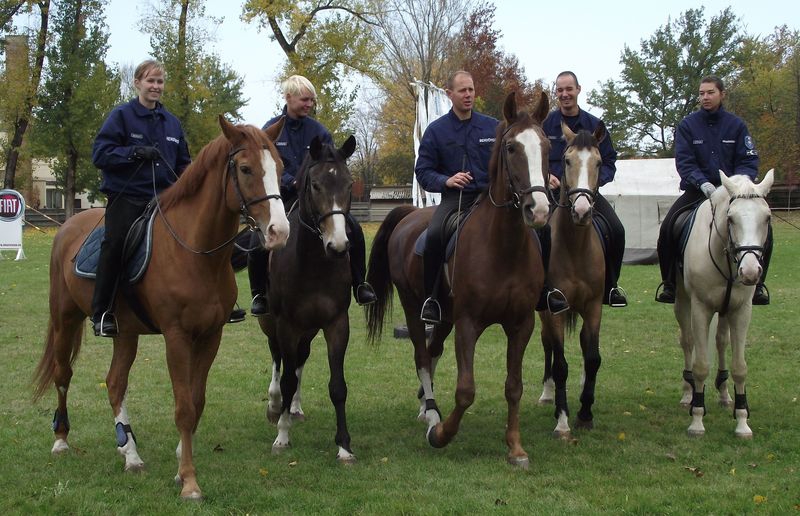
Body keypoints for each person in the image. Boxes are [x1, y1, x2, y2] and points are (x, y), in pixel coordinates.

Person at [245, 75, 376, 316]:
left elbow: (330, 166)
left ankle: (360, 284)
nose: (309, 104)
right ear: (288, 97)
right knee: (257, 240)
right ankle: (259, 294)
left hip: (317, 199)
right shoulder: (271, 130)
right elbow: (265, 167)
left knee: (354, 229)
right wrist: (288, 182)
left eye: (312, 101)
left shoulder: (320, 132)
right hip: (283, 197)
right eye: (304, 99)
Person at [91, 59, 191, 337]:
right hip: (130, 197)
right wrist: (133, 153)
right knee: (115, 243)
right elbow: (100, 154)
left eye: (160, 82)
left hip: (167, 199)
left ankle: (214, 303)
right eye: (150, 81)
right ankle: (102, 312)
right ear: (137, 83)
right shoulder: (121, 116)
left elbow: (184, 163)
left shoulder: (172, 123)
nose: (156, 86)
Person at [656, 75, 772, 304]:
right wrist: (703, 183)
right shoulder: (688, 125)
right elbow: (684, 162)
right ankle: (669, 283)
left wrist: (738, 184)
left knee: (767, 231)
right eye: (702, 93)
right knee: (669, 228)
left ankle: (758, 285)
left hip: (734, 194)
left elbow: (749, 161)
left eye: (710, 92)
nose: (705, 97)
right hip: (698, 191)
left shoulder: (737, 126)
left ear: (722, 94)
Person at [415, 71, 498, 324]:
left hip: (491, 198)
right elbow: (423, 171)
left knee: (532, 230)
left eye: (471, 90)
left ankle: (540, 289)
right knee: (435, 234)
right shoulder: (436, 131)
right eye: (462, 90)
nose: (468, 95)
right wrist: (447, 180)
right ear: (449, 94)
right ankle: (432, 300)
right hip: (455, 199)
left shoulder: (493, 127)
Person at [542, 71, 628, 309]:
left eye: (569, 89)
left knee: (617, 230)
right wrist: (546, 175)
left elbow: (609, 162)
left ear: (578, 89)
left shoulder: (595, 126)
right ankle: (540, 289)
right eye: (560, 90)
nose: (564, 94)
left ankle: (611, 287)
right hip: (552, 195)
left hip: (588, 194)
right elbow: (535, 159)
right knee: (536, 234)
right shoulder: (546, 125)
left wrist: (595, 182)